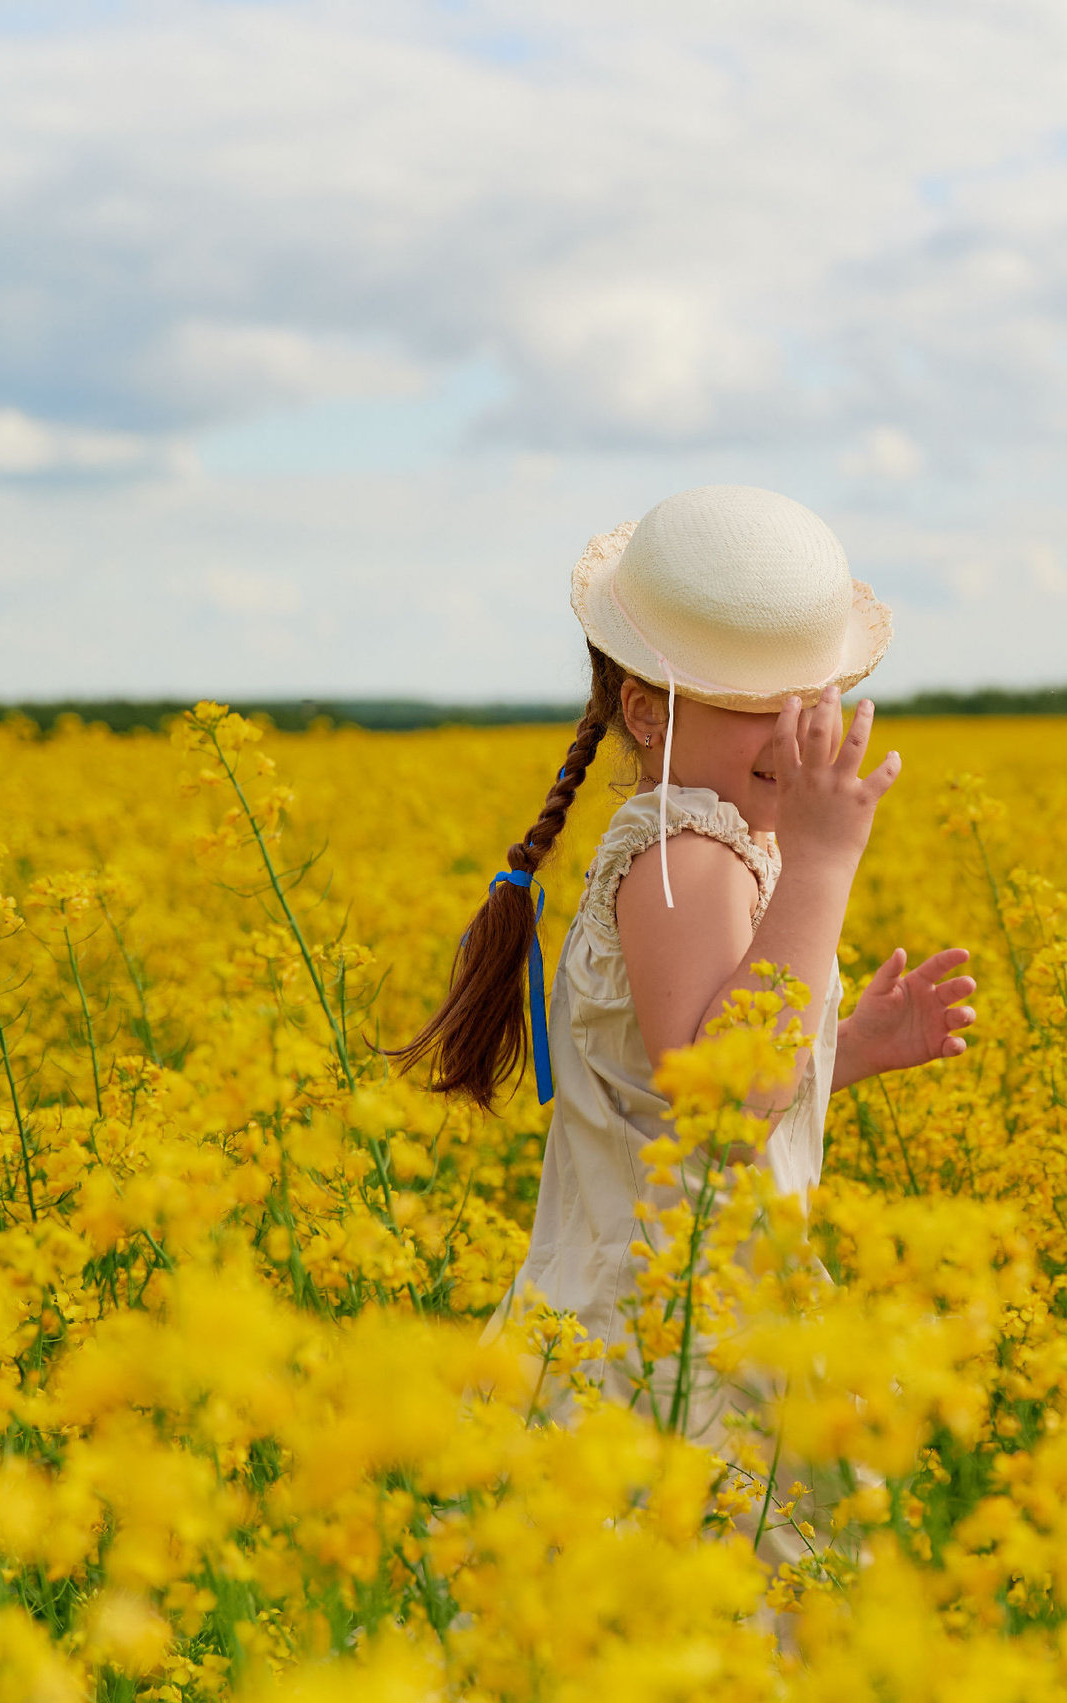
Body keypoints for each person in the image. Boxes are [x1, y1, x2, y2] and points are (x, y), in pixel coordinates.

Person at [392, 485, 975, 1521]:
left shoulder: (709, 845)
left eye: (815, 701)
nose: (797, 735)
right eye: (760, 708)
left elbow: (693, 1059)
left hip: (688, 1310)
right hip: (663, 1341)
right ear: (650, 710)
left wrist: (845, 1047)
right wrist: (826, 862)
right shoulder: (687, 856)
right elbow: (720, 1103)